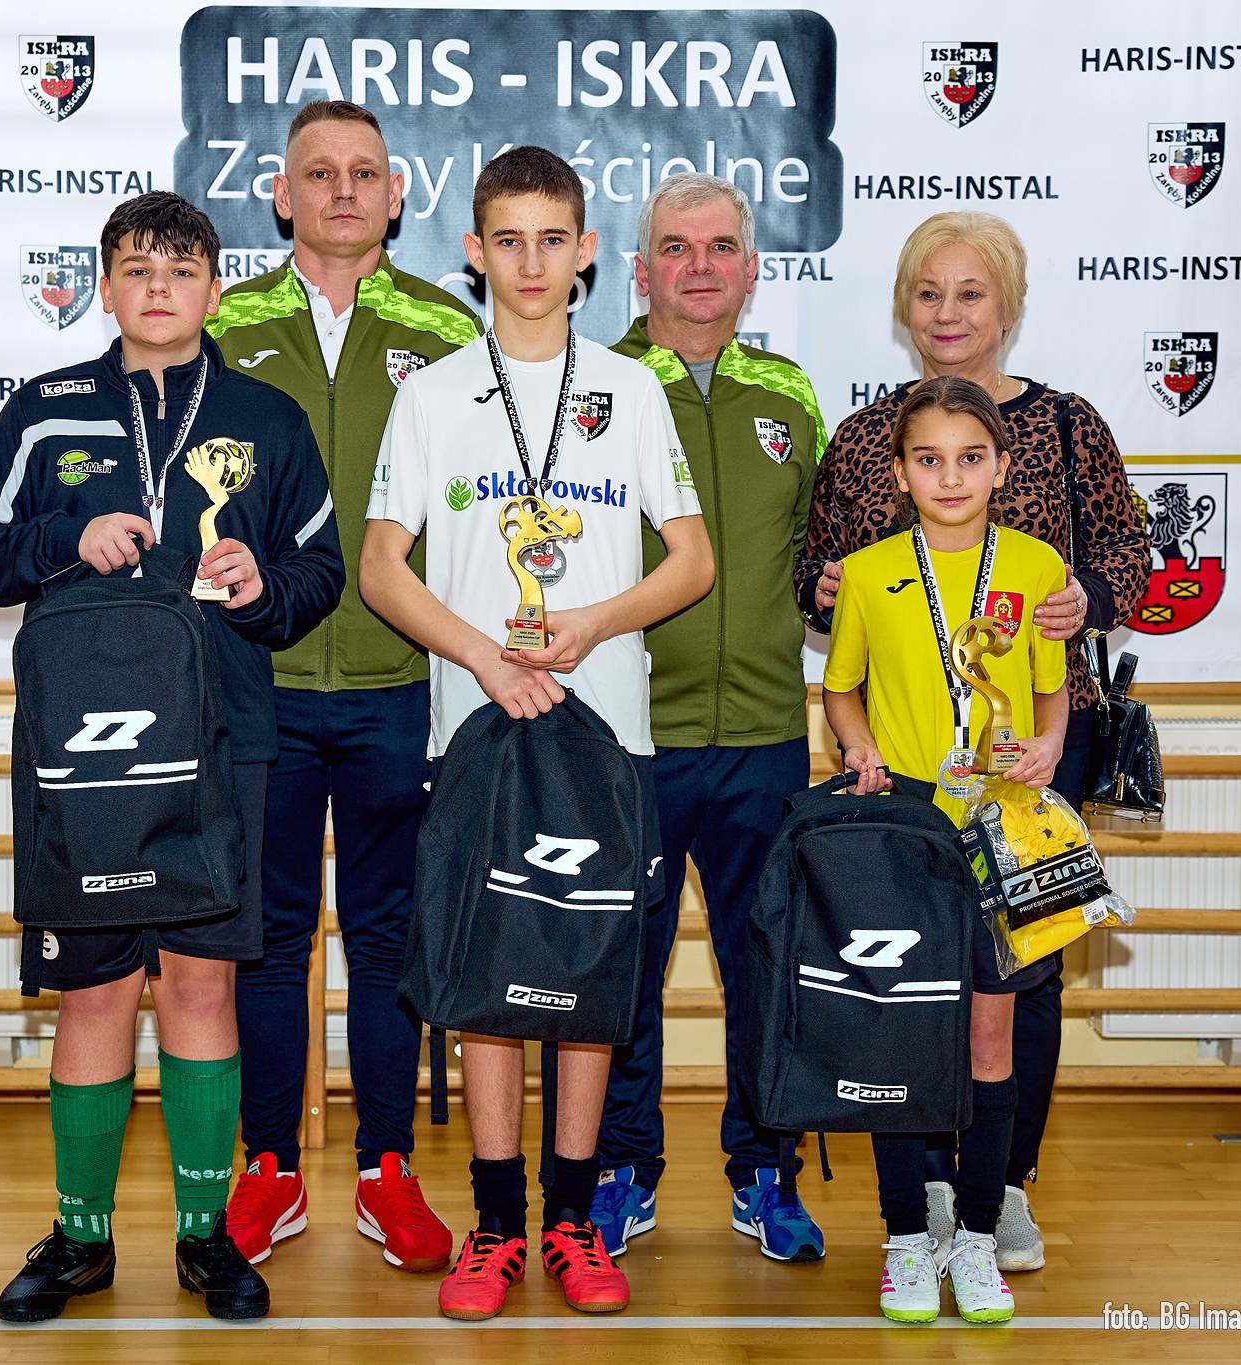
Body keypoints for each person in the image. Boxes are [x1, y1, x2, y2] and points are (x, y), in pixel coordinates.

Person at [0, 191, 344, 1324]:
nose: (157, 287)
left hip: (225, 743)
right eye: (134, 268)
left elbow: (321, 573)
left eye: (180, 269)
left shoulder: (266, 418)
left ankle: (207, 1236)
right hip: (86, 752)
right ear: (106, 287)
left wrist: (261, 586)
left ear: (216, 288)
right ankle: (81, 1239)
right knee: (95, 990)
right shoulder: (43, 411)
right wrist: (64, 539)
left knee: (204, 983)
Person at [361, 146, 714, 1320]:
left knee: (585, 979)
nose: (528, 263)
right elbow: (380, 568)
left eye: (550, 240)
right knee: (488, 983)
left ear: (585, 253)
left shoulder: (631, 389)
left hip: (604, 733)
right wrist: (482, 655)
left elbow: (692, 562)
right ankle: (493, 1225)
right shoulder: (430, 395)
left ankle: (570, 1220)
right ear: (472, 252)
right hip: (475, 731)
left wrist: (591, 623)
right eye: (506, 241)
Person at [797, 210, 1150, 1270]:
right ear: (902, 308)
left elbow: (1127, 552)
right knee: (916, 980)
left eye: (969, 293)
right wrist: (825, 588)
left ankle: (1005, 1188)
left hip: (1036, 747)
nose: (947, 314)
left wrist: (1086, 597)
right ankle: (928, 1193)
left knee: (1020, 976)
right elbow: (819, 579)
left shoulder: (1066, 425)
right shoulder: (865, 436)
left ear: (1009, 306)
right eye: (927, 292)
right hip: (907, 755)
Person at [206, 99, 479, 1274]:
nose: (342, 191)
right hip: (255, 683)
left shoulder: (445, 325)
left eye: (364, 172)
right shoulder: (225, 321)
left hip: (395, 685)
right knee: (267, 939)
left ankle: (384, 1170)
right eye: (318, 172)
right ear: (280, 195)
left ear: (396, 194)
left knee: (383, 937)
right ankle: (269, 1168)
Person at [592, 173, 828, 1263]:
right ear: (641, 270)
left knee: (767, 964)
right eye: (677, 248)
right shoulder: (594, 386)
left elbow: (820, 560)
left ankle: (765, 1172)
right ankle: (620, 1170)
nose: (700, 266)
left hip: (766, 735)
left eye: (721, 246)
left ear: (751, 269)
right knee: (620, 968)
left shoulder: (790, 394)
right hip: (631, 735)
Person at [820, 375, 1066, 1325]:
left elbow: (1051, 687)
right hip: (905, 826)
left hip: (1000, 821)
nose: (951, 476)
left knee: (990, 1041)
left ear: (1001, 466)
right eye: (929, 459)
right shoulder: (870, 571)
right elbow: (842, 686)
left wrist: (1048, 745)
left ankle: (974, 1236)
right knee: (899, 1033)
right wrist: (858, 745)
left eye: (970, 457)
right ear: (899, 471)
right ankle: (903, 1241)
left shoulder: (1036, 565)